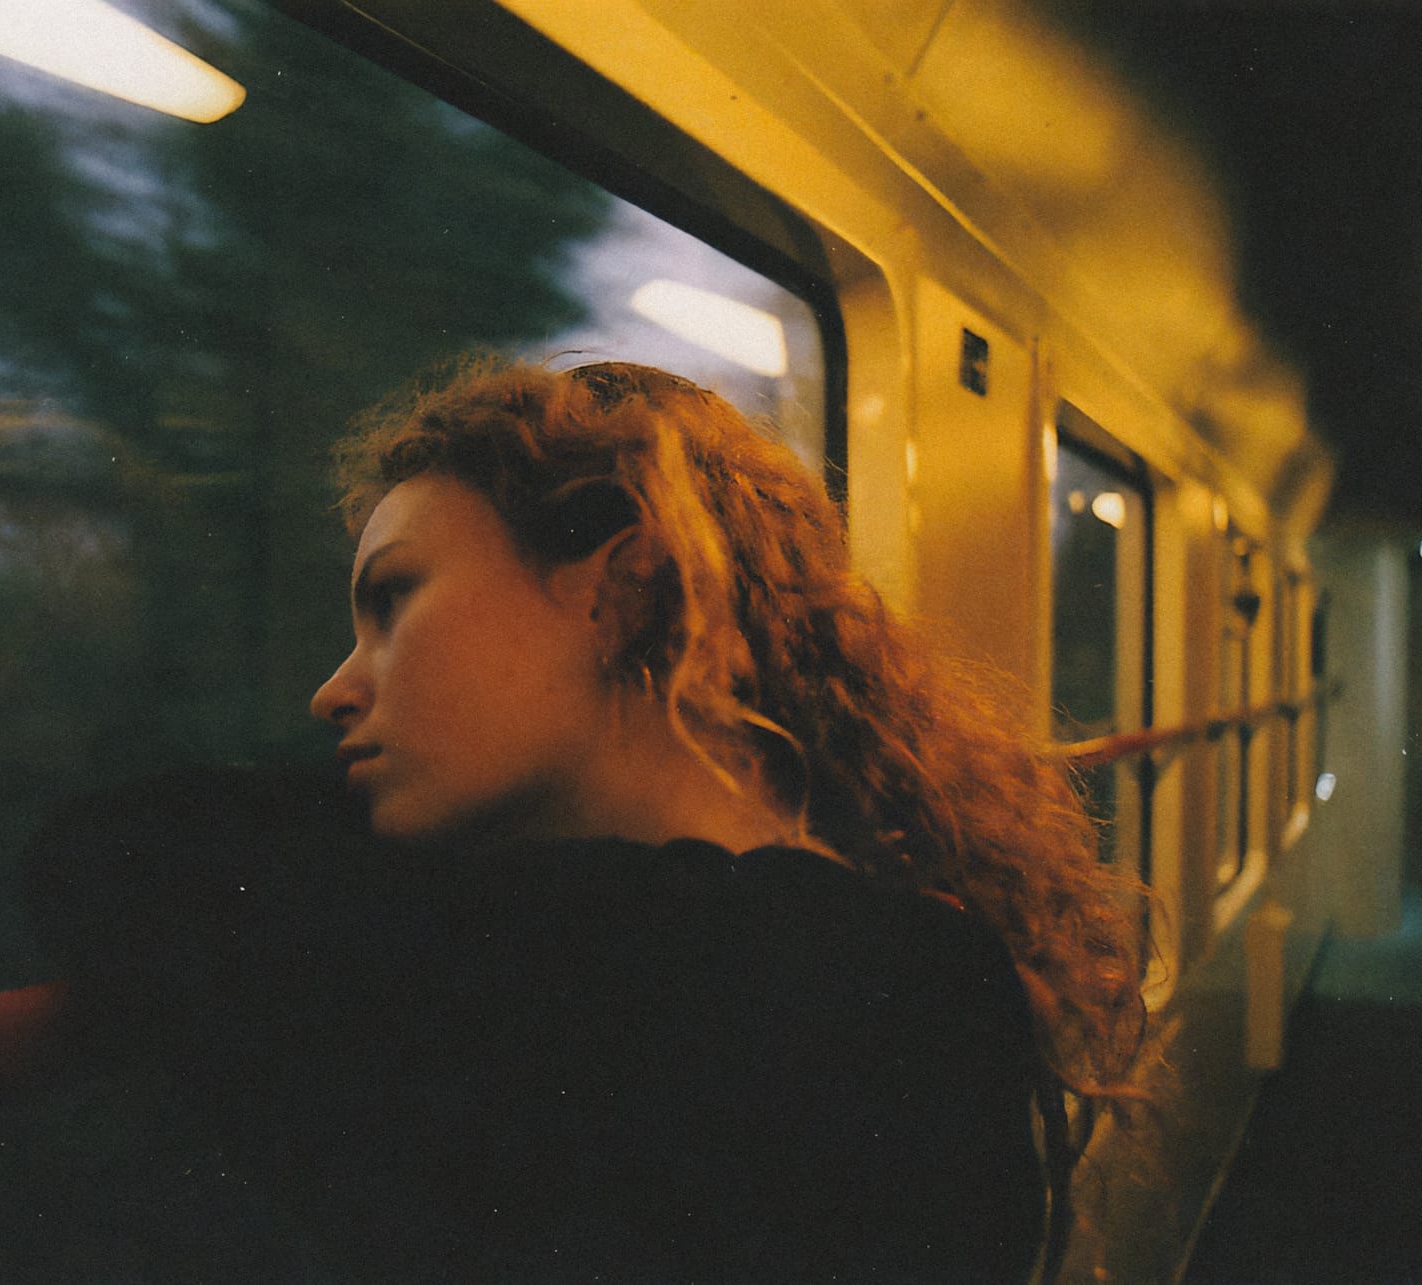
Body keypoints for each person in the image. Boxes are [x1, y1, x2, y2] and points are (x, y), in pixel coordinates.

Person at [298, 358, 1145, 1281]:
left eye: (392, 600)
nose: (332, 691)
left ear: (622, 588)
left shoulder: (860, 998)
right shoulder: (884, 967)